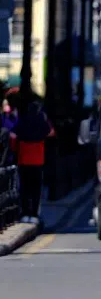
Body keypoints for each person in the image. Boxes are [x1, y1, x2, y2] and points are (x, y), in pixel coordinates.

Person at [12, 93, 54, 225]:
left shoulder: (22, 120)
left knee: (24, 188)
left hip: (23, 160)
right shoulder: (41, 121)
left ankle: (25, 213)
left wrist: (16, 150)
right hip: (37, 161)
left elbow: (13, 136)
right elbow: (51, 133)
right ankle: (34, 214)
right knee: (36, 190)